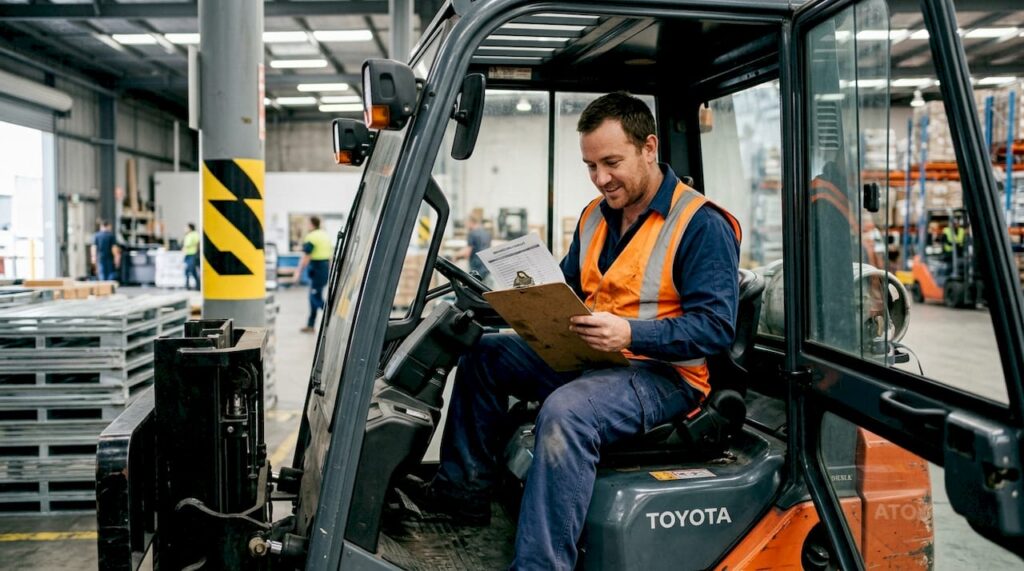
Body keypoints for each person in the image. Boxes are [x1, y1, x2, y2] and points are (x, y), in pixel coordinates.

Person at [414, 92, 741, 570]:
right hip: (594, 353)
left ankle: (542, 565)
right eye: (591, 166)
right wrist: (524, 299)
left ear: (649, 147)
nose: (601, 178)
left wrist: (630, 334)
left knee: (567, 411)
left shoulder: (700, 225)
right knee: (483, 355)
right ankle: (461, 493)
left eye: (611, 162)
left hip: (662, 375)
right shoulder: (594, 215)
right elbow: (570, 285)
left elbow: (714, 329)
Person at [294, 216, 332, 333]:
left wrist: (298, 272)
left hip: (317, 269)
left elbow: (306, 256)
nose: (306, 226)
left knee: (314, 297)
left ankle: (332, 315)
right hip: (324, 268)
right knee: (314, 297)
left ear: (312, 224)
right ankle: (310, 325)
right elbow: (330, 255)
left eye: (307, 224)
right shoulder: (325, 235)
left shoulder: (311, 237)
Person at [459, 211, 492, 280]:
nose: (466, 225)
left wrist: (455, 256)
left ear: (471, 222)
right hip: (486, 268)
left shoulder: (472, 234)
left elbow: (466, 253)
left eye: (466, 223)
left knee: (473, 290)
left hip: (476, 270)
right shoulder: (486, 233)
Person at [182, 222, 200, 291]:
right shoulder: (187, 235)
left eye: (186, 227)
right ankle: (188, 285)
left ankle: (197, 285)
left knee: (191, 270)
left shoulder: (195, 234)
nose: (185, 229)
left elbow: (197, 243)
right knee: (188, 271)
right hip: (187, 255)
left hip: (193, 254)